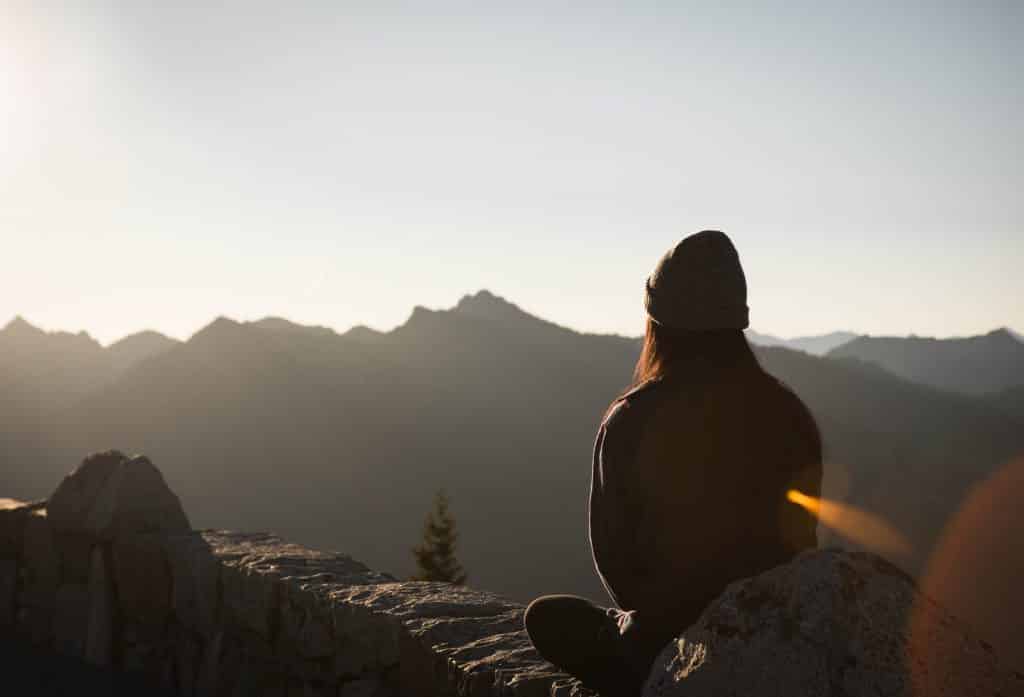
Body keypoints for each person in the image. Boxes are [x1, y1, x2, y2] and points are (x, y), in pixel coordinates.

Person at [523, 230, 823, 696]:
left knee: (547, 617)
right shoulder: (790, 417)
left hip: (667, 644)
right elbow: (801, 544)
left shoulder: (632, 420)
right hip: (773, 633)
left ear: (657, 323)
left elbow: (619, 567)